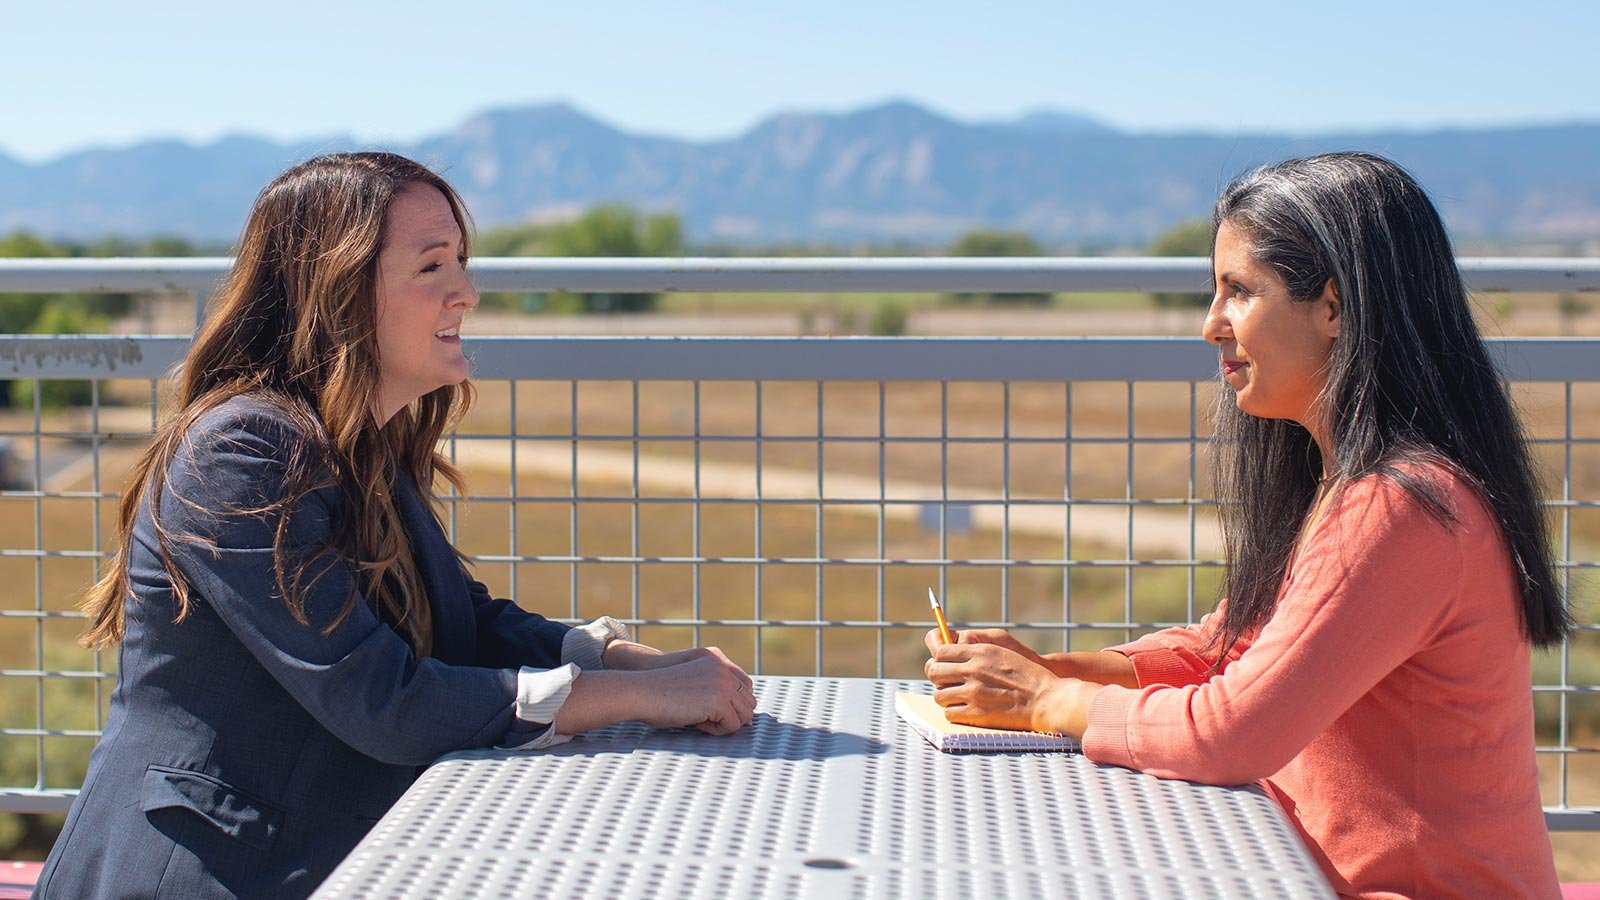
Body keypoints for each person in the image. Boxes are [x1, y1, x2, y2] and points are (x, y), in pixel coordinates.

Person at [34, 152, 755, 899]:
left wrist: (625, 661)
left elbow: (463, 623)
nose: (466, 294)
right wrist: (636, 700)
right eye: (432, 268)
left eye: (463, 265)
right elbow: (378, 698)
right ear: (339, 289)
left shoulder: (360, 443)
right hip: (196, 874)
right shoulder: (240, 453)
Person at [924, 152, 1568, 898]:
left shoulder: (1405, 506)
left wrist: (1049, 703)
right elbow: (1224, 650)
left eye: (1240, 291)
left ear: (1334, 307)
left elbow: (1234, 731)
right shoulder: (1345, 480)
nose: (1211, 326)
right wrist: (1051, 670)